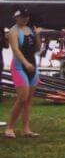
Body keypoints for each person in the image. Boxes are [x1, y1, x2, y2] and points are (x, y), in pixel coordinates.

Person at [5, 9, 40, 138]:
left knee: (28, 100)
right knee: (22, 98)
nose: (25, 19)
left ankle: (26, 129)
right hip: (20, 67)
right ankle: (9, 128)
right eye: (22, 17)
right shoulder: (13, 31)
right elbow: (15, 49)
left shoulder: (30, 30)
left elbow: (37, 49)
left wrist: (37, 35)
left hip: (32, 67)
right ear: (16, 17)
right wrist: (26, 64)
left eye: (27, 17)